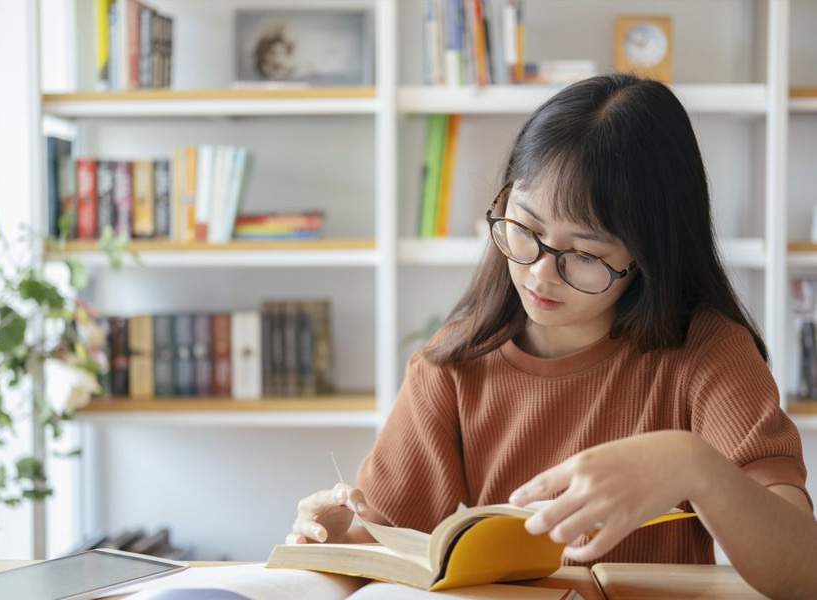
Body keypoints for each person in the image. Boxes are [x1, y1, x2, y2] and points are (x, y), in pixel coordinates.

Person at [286, 74, 817, 598]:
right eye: (527, 229)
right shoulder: (453, 363)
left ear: (648, 255)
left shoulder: (706, 353)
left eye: (584, 255)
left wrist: (693, 465)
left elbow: (803, 572)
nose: (540, 274)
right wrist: (331, 540)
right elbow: (379, 549)